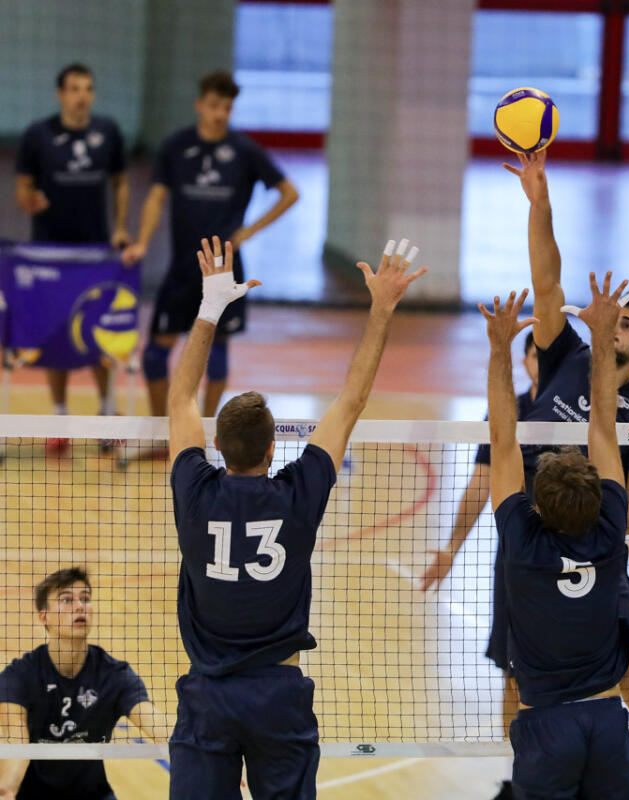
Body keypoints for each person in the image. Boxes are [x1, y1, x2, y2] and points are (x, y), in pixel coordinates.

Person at [165, 235, 425, 799]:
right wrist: (382, 308)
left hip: (208, 694)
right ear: (271, 450)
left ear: (217, 445)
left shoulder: (194, 492)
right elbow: (350, 402)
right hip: (278, 696)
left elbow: (181, 399)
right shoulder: (298, 495)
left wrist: (211, 305)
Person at [497, 151, 629, 800]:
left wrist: (585, 517)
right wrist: (540, 203)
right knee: (518, 682)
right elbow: (547, 280)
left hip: (598, 561)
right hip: (528, 548)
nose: (613, 324)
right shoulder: (565, 357)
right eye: (613, 316)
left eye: (626, 323)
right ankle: (524, 781)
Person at [483, 275, 629, 799]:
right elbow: (603, 427)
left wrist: (500, 349)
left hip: (546, 726)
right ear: (599, 497)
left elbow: (502, 439)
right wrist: (601, 341)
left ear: (538, 506)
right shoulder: (610, 532)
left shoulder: (522, 545)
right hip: (607, 722)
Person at [123, 70, 299, 425]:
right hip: (182, 268)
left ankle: (203, 432)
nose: (220, 114)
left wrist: (249, 231)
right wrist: (142, 242)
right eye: (215, 105)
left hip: (224, 270)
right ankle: (162, 433)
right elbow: (156, 197)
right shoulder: (175, 146)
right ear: (200, 104)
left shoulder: (245, 151)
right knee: (155, 354)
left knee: (217, 354)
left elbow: (289, 193)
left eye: (227, 108)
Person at [14, 63, 131, 453]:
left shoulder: (108, 132)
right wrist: (30, 199)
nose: (82, 95)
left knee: (99, 332)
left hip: (96, 252)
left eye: (88, 88)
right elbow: (22, 188)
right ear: (60, 94)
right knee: (56, 335)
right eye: (75, 89)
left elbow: (121, 181)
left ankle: (106, 414)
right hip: (50, 252)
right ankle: (60, 418)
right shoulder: (38, 135)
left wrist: (120, 227)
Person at [0, 567, 170, 800]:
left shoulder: (115, 675)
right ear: (44, 617)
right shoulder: (19, 675)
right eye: (66, 600)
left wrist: (197, 751)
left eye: (85, 598)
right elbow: (16, 738)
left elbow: (155, 722)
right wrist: (6, 789)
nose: (80, 606)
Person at [420, 332, 538, 593]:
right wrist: (452, 549)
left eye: (550, 358)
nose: (543, 365)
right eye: (536, 356)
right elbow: (480, 484)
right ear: (525, 361)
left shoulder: (578, 411)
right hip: (513, 552)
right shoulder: (509, 410)